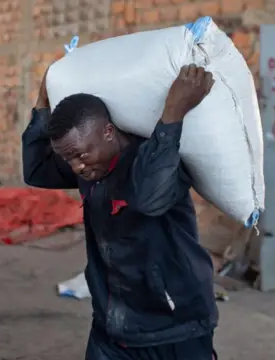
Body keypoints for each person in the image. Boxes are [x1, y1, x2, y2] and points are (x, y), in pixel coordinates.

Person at [22, 64, 218, 360]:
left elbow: (150, 198)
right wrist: (42, 102)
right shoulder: (90, 165)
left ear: (109, 132)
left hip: (175, 327)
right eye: (67, 158)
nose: (76, 167)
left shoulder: (156, 159)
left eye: (79, 155)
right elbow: (36, 170)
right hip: (112, 326)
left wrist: (174, 112)